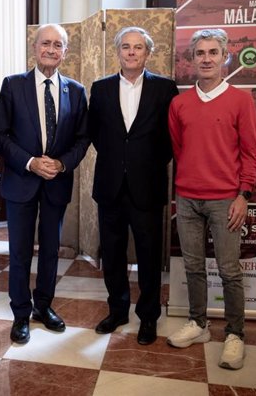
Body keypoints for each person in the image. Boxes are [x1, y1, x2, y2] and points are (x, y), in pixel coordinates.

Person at [167, 28, 256, 370]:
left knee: (229, 270)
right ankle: (199, 324)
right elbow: (180, 149)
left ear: (224, 58)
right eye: (200, 53)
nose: (206, 59)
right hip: (188, 198)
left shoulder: (240, 100)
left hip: (225, 200)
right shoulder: (179, 103)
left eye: (213, 53)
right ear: (192, 59)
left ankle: (235, 334)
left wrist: (244, 195)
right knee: (192, 267)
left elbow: (251, 152)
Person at [0, 24, 90, 344]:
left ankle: (43, 306)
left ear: (66, 52)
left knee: (50, 250)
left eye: (57, 45)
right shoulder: (12, 85)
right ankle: (21, 313)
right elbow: (0, 135)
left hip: (56, 183)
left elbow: (82, 137)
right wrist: (31, 162)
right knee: (19, 252)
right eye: (45, 43)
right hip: (21, 180)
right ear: (34, 48)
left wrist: (61, 164)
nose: (50, 49)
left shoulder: (75, 91)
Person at [88, 27, 178, 345]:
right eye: (125, 46)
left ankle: (149, 316)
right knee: (112, 254)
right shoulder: (99, 89)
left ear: (147, 53)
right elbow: (96, 133)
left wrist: (145, 162)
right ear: (118, 51)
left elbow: (172, 139)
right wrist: (119, 159)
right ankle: (117, 311)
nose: (131, 52)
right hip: (110, 185)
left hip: (147, 185)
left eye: (137, 47)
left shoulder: (166, 89)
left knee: (149, 255)